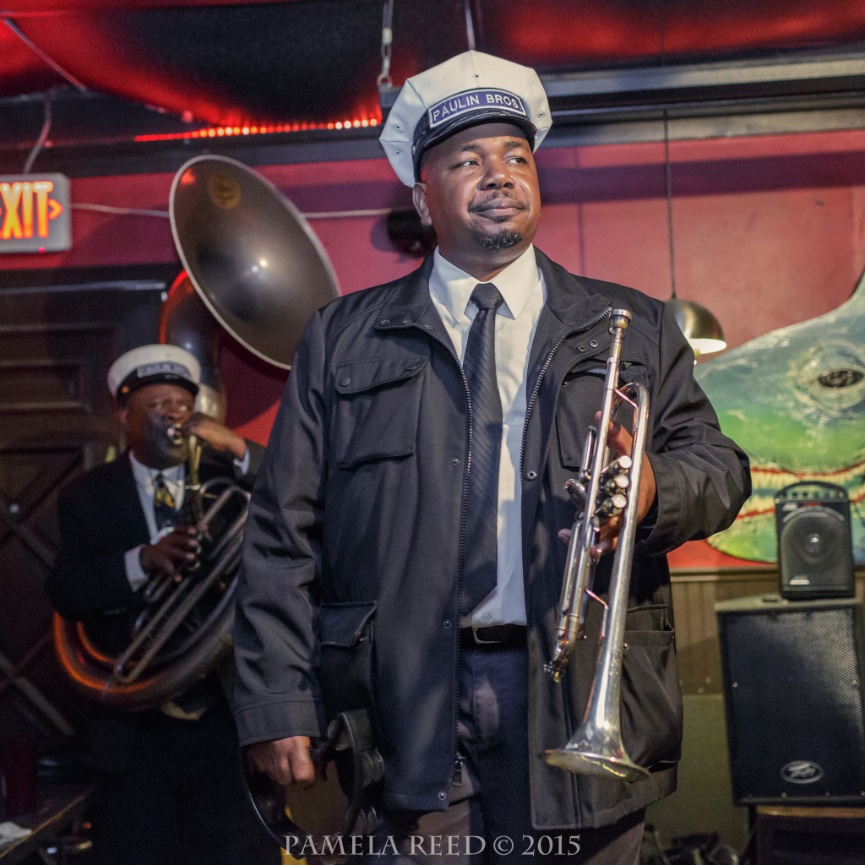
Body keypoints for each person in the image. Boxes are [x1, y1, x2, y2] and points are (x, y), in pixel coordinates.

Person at [233, 51, 751, 864]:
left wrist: (655, 488)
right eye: (466, 160)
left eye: (515, 156)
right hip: (401, 699)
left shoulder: (630, 322)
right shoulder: (343, 336)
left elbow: (719, 466)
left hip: (576, 689)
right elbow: (279, 534)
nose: (498, 174)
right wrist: (276, 700)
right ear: (421, 196)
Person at [46, 344, 278, 865]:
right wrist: (139, 561)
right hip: (136, 736)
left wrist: (236, 446)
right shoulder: (86, 494)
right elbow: (66, 590)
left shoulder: (227, 476)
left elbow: (299, 494)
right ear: (123, 415)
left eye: (182, 404)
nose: (174, 415)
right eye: (157, 405)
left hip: (226, 720)